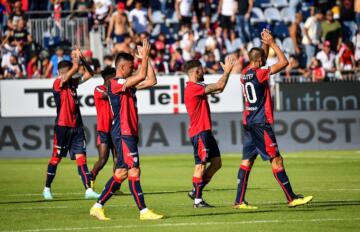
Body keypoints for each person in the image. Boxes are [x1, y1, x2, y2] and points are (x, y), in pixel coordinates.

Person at [233, 29, 313, 209]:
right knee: (276, 159)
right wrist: (273, 43)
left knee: (247, 160)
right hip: (261, 123)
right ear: (259, 61)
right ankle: (291, 198)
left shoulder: (245, 73)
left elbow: (260, 58)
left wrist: (264, 44)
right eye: (262, 59)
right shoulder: (260, 73)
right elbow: (284, 62)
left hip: (248, 122)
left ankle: (239, 201)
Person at [90, 40, 163, 220]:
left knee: (121, 173)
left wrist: (148, 60)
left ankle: (97, 206)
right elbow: (140, 76)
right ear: (122, 67)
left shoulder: (127, 86)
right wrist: (144, 57)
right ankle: (143, 211)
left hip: (128, 132)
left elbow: (152, 80)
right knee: (134, 170)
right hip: (123, 133)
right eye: (131, 67)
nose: (133, 69)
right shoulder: (115, 84)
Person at [42, 49, 100, 200]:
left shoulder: (73, 83)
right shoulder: (58, 83)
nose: (73, 74)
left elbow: (91, 74)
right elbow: (70, 73)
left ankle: (88, 190)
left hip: (77, 126)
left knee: (81, 158)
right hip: (62, 127)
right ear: (62, 72)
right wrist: (76, 61)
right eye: (70, 72)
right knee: (56, 158)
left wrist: (83, 60)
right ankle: (47, 188)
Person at [184, 55, 235, 208]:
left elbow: (220, 88)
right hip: (200, 132)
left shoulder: (197, 87)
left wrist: (226, 74)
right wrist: (226, 72)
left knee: (217, 163)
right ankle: (197, 200)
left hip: (205, 131)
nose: (203, 71)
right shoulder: (193, 88)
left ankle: (195, 190)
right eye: (201, 70)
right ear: (196, 71)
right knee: (200, 165)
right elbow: (219, 85)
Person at [90, 66, 117, 189]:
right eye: (115, 76)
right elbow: (106, 95)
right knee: (102, 159)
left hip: (115, 129)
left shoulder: (114, 88)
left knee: (117, 158)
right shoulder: (98, 89)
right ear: (110, 77)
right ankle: (90, 179)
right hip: (104, 130)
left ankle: (115, 186)